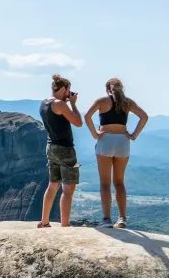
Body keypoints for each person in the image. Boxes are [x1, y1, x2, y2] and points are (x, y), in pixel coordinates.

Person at [83, 78, 149, 229]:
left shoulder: (102, 100)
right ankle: (122, 218)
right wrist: (133, 135)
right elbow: (144, 117)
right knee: (119, 182)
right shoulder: (128, 102)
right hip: (123, 141)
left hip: (105, 140)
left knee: (105, 183)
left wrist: (95, 133)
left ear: (107, 88)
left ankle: (106, 220)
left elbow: (87, 116)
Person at [37, 74, 82, 228]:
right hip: (65, 149)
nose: (69, 94)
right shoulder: (61, 105)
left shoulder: (44, 103)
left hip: (51, 147)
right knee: (68, 189)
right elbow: (78, 122)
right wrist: (73, 104)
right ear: (63, 88)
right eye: (68, 90)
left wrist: (67, 100)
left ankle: (44, 221)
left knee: (53, 184)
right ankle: (65, 225)